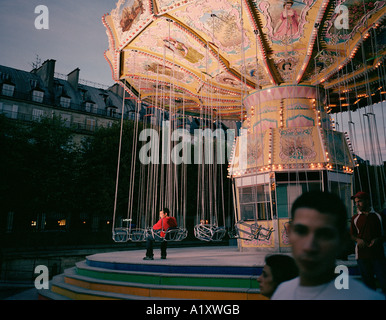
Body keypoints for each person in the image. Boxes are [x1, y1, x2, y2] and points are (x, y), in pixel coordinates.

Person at [271, 191, 385, 300]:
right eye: (301, 231)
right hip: (363, 255)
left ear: (342, 240)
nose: (309, 246)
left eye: (324, 235)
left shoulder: (367, 298)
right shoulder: (281, 293)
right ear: (289, 233)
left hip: (377, 254)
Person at [350, 191, 386, 295]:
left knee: (384, 282)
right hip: (362, 256)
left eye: (359, 201)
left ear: (367, 201)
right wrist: (358, 240)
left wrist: (378, 240)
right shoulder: (355, 218)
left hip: (378, 255)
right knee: (368, 285)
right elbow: (352, 235)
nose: (357, 204)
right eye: (356, 202)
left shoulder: (379, 216)